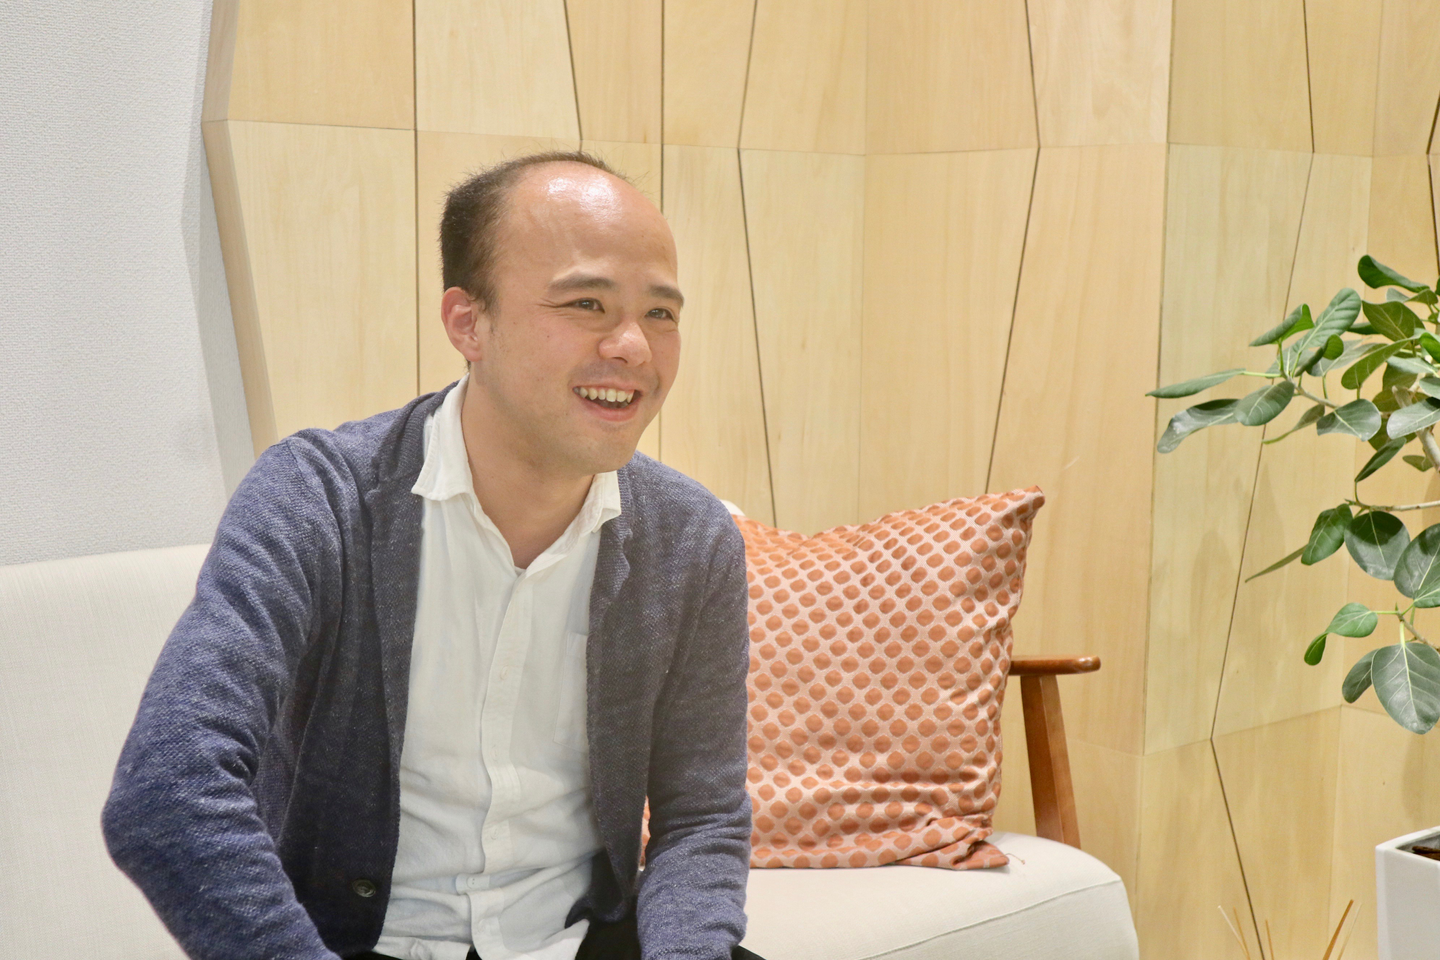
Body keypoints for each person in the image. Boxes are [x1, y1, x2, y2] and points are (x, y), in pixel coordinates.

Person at [102, 152, 756, 960]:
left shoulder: (691, 540)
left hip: (584, 939)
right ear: (467, 323)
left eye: (660, 313)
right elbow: (168, 787)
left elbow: (702, 818)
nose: (633, 347)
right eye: (586, 303)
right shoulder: (318, 499)